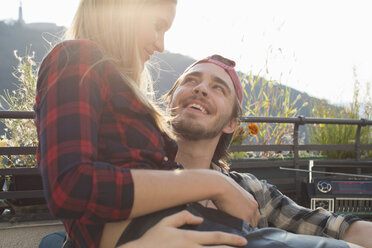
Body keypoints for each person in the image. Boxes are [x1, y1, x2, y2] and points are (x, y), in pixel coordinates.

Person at [35, 1, 260, 247]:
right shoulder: (78, 56)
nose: (161, 45)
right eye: (158, 26)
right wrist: (215, 184)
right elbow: (71, 186)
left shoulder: (112, 83)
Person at [102, 54, 371, 248]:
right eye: (191, 81)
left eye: (218, 88)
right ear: (169, 101)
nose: (200, 89)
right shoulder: (134, 170)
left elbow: (327, 225)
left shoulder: (253, 191)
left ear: (232, 123)